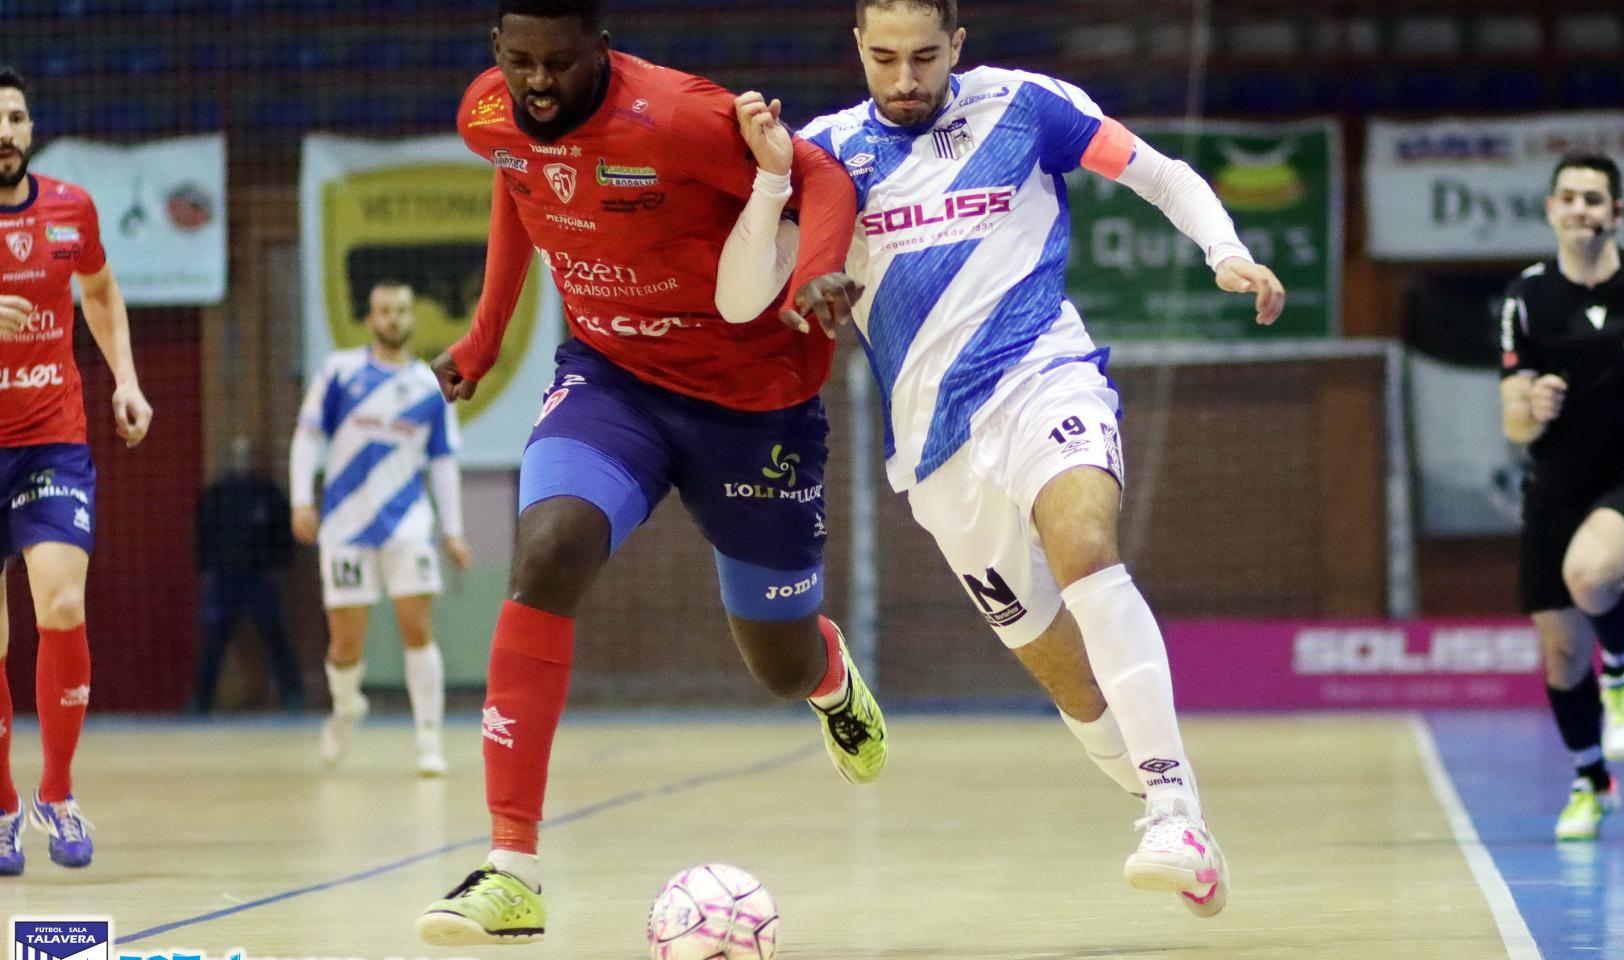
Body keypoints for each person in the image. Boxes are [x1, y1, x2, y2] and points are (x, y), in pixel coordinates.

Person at [721, 0, 1285, 917]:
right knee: (1066, 675)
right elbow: (745, 299)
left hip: (1042, 377)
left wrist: (1225, 251)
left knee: (1086, 549)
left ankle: (1174, 815)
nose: (905, 79)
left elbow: (1161, 173)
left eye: (925, 57)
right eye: (884, 58)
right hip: (937, 454)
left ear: (958, 45)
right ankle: (1173, 814)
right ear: (857, 49)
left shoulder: (1025, 106)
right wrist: (770, 181)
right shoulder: (826, 153)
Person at [413, 1, 875, 945]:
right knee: (548, 550)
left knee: (779, 665)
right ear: (496, 52)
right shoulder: (490, 113)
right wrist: (485, 338)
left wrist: (817, 272)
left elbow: (823, 178)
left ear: (603, 49)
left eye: (559, 62)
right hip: (611, 378)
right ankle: (511, 869)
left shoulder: (678, 116)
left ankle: (829, 676)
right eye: (518, 60)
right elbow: (519, 185)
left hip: (753, 403)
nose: (538, 83)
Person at [1497, 152, 1624, 841]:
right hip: (1556, 484)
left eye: (1594, 199)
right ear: (1551, 210)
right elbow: (1513, 421)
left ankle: (1621, 671)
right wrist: (1535, 407)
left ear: (1616, 212)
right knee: (1561, 655)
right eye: (1569, 198)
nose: (1580, 209)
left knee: (1590, 574)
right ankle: (1591, 781)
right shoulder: (1527, 297)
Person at [0, 66, 154, 873]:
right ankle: (0, 805)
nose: (5, 134)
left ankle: (55, 793)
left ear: (30, 129)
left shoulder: (71, 207)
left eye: (15, 118)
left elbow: (99, 291)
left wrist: (126, 380)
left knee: (61, 604)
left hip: (50, 438)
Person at [289, 281, 472, 777]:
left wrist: (453, 530)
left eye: (402, 310)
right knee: (345, 644)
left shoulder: (432, 385)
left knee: (418, 628)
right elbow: (307, 436)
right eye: (385, 311)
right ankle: (346, 707)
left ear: (413, 318)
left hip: (408, 524)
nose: (393, 318)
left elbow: (443, 462)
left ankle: (429, 739)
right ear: (370, 319)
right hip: (344, 526)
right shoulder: (339, 371)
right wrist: (301, 499)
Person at [187, 434, 304, 714]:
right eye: (237, 454)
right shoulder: (217, 494)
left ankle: (292, 695)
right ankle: (201, 701)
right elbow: (202, 535)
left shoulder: (268, 494)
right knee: (214, 641)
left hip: (259, 579)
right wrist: (206, 570)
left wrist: (278, 566)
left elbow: (285, 537)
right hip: (224, 580)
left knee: (275, 636)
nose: (242, 459)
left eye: (247, 454)